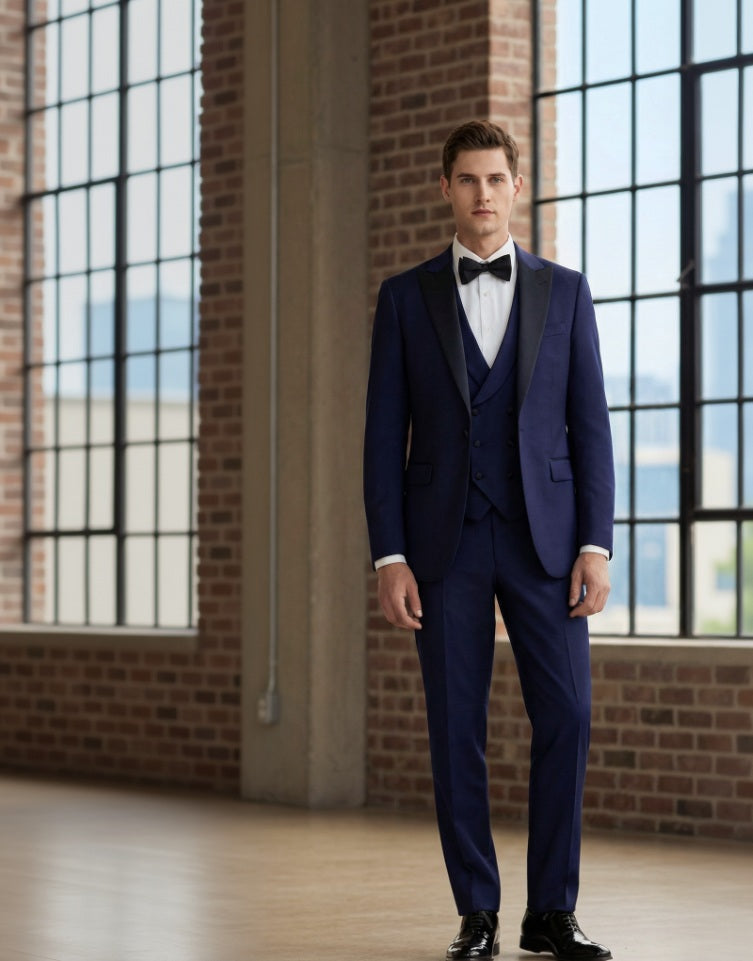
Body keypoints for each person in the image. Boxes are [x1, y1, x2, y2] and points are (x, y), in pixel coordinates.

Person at [363, 120, 615, 961]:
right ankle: (477, 910)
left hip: (546, 542)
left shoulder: (565, 291)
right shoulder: (404, 297)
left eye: (494, 179)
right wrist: (389, 554)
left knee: (568, 714)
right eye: (466, 179)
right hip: (443, 548)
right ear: (445, 188)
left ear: (516, 186)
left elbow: (590, 430)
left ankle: (551, 910)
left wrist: (596, 543)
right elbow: (381, 437)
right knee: (454, 727)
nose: (481, 194)